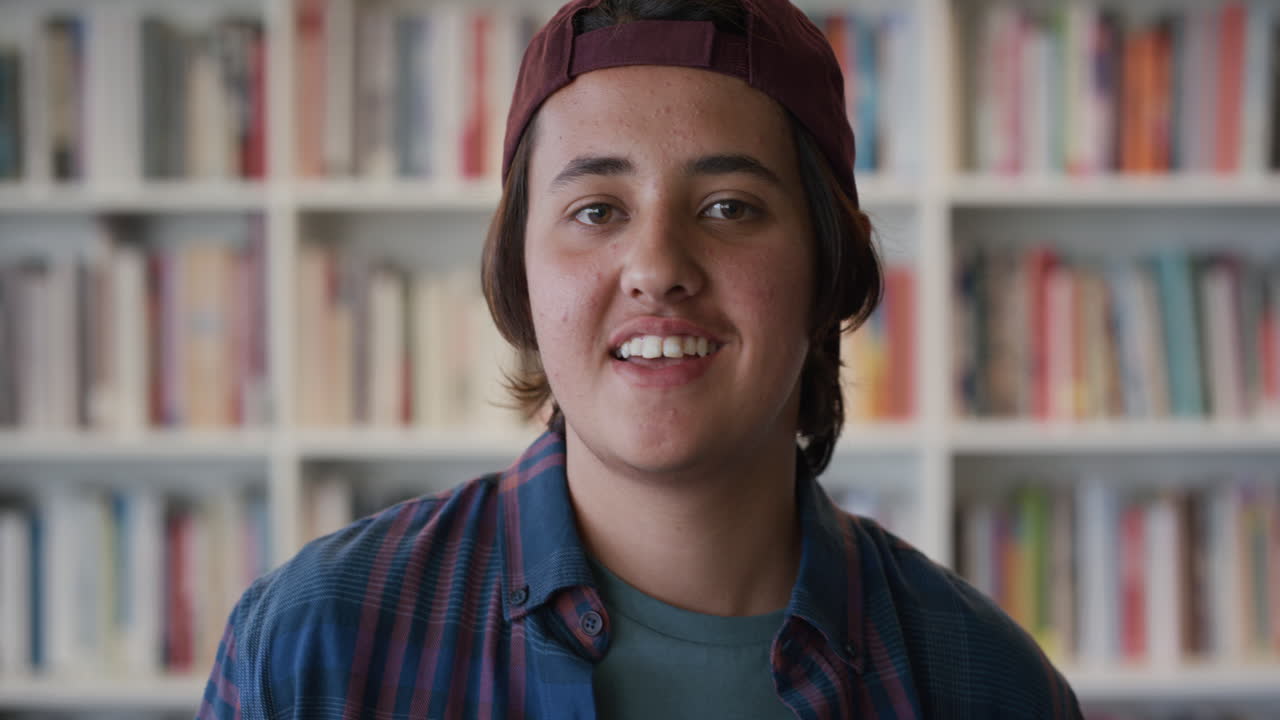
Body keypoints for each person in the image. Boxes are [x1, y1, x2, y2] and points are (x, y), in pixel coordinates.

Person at [199, 0, 1083, 717]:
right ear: (518, 271)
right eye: (597, 210)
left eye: (729, 207)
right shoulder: (314, 647)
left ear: (829, 266)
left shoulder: (987, 686)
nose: (657, 267)